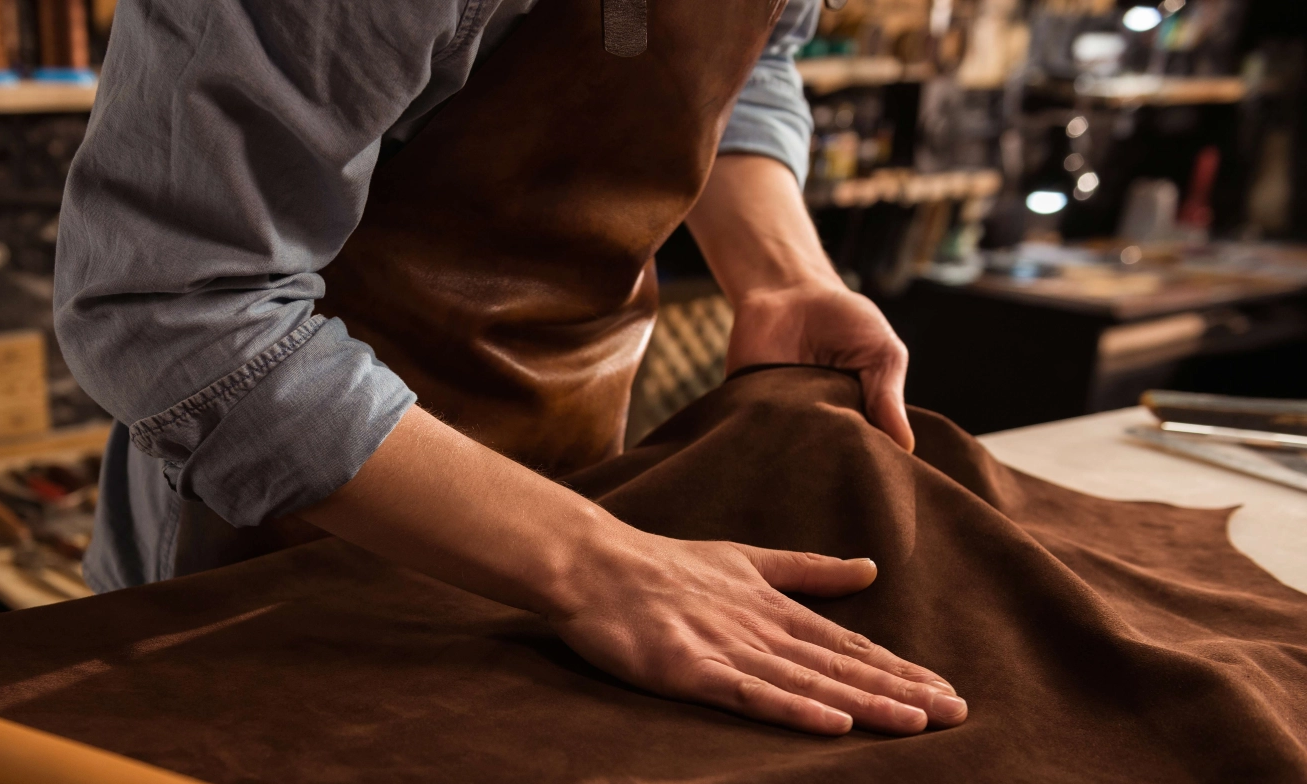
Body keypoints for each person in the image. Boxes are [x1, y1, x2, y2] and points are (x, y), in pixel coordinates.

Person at [54, 0, 969, 737]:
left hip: (580, 497)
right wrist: (595, 564)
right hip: (285, 550)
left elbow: (749, 65)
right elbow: (170, 309)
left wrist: (782, 276)